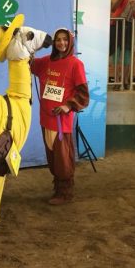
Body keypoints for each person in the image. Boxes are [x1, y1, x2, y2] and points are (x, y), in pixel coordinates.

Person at [30, 28, 89, 205]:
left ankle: (65, 192)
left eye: (65, 40)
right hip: (45, 117)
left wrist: (67, 105)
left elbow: (83, 94)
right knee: (52, 156)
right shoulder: (46, 62)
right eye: (58, 40)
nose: (61, 43)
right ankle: (57, 188)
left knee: (63, 157)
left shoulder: (75, 64)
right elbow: (28, 63)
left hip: (61, 120)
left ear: (70, 42)